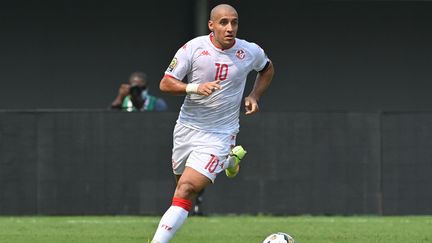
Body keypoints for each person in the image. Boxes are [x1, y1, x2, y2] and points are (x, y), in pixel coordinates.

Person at [150, 3, 274, 243]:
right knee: (181, 187)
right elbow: (166, 83)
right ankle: (230, 159)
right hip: (187, 128)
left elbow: (267, 69)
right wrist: (195, 87)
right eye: (223, 22)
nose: (230, 28)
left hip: (220, 132)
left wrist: (254, 96)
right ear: (211, 25)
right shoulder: (194, 48)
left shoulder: (249, 51)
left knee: (186, 188)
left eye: (234, 22)